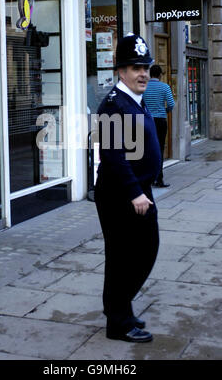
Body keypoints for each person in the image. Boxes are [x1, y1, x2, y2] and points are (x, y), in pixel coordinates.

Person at [94, 33, 161, 343]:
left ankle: (120, 309)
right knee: (125, 257)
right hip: (121, 194)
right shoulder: (111, 105)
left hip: (138, 189)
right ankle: (118, 321)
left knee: (142, 252)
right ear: (120, 71)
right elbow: (112, 156)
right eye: (135, 67)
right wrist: (136, 193)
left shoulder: (135, 98)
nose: (143, 73)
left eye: (145, 67)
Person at [143, 64, 175, 187]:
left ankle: (148, 178)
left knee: (146, 149)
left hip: (147, 121)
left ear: (150, 74)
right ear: (160, 75)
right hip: (160, 121)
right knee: (159, 149)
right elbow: (171, 104)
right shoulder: (165, 87)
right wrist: (165, 111)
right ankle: (159, 179)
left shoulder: (144, 86)